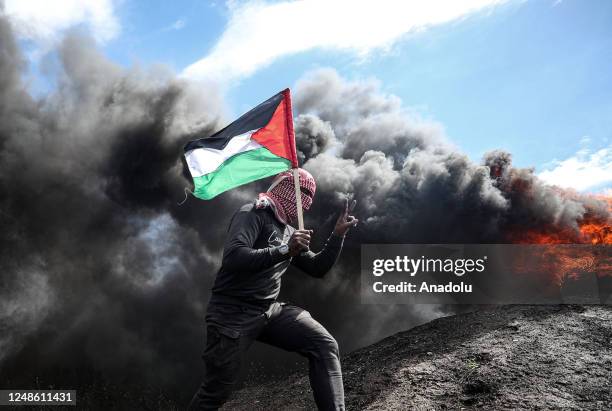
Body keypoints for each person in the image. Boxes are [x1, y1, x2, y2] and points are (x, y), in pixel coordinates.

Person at [189, 168, 358, 411]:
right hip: (231, 314)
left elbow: (317, 267)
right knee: (216, 391)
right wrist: (284, 250)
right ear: (284, 188)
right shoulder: (252, 213)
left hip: (268, 310)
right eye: (302, 193)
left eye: (310, 196)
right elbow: (234, 257)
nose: (306, 202)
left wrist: (337, 235)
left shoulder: (289, 231)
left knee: (324, 344)